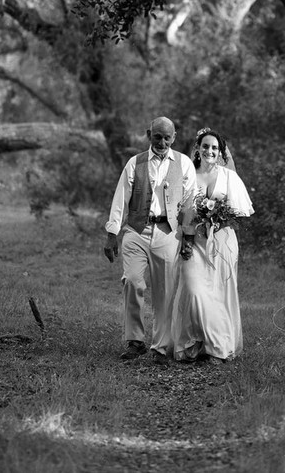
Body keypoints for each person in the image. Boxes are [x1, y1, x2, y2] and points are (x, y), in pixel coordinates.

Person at [104, 116, 197, 361]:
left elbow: (190, 203)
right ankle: (135, 341)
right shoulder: (135, 163)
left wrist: (187, 237)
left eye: (167, 138)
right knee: (132, 281)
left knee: (165, 291)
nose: (162, 142)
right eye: (157, 137)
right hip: (137, 231)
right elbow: (120, 198)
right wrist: (112, 233)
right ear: (149, 135)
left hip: (168, 232)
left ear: (174, 137)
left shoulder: (184, 164)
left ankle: (161, 347)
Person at [171, 127, 254, 364]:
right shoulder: (188, 175)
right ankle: (193, 341)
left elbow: (240, 213)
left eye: (215, 148)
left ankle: (217, 346)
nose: (210, 151)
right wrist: (188, 235)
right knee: (194, 289)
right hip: (194, 241)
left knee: (219, 293)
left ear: (221, 152)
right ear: (197, 149)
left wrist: (217, 216)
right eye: (205, 146)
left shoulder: (229, 177)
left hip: (222, 242)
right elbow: (179, 211)